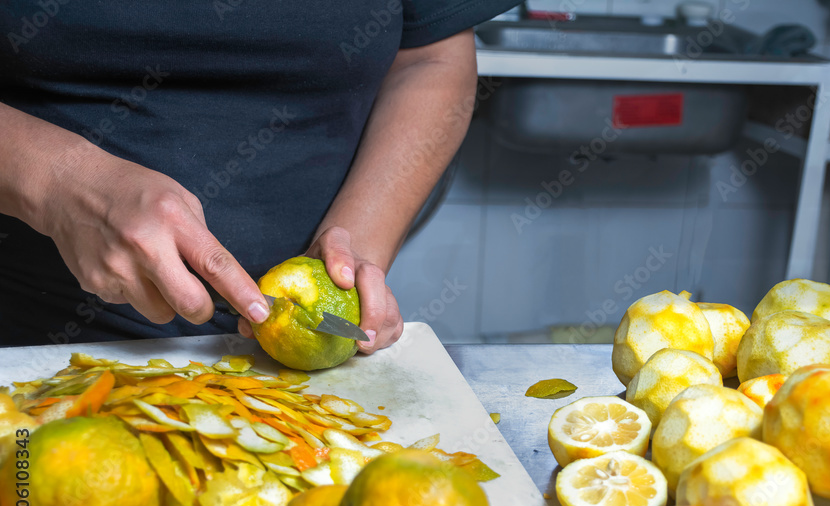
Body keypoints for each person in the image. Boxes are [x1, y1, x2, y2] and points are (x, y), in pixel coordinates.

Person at [0, 0, 518, 351]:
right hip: (27, 333)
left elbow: (430, 56)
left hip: (286, 366)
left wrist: (355, 250)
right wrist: (56, 182)